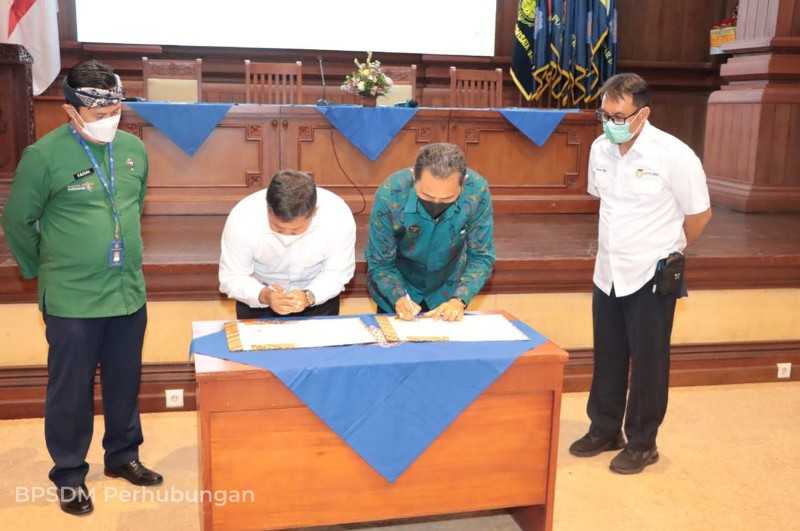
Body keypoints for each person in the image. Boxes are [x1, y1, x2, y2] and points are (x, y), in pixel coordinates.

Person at [2, 60, 163, 516]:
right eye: (98, 112)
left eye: (115, 108)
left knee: (124, 380)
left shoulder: (134, 149)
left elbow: (135, 204)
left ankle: (123, 456)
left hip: (127, 292)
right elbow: (17, 221)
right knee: (70, 389)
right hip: (72, 298)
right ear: (71, 111)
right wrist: (43, 267)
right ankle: (70, 473)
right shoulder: (43, 157)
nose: (110, 117)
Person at [569, 73, 713, 474]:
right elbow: (604, 203)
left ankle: (643, 442)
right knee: (608, 354)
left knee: (649, 361)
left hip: (652, 272)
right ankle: (604, 428)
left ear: (642, 113)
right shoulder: (600, 149)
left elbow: (699, 216)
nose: (609, 121)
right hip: (608, 270)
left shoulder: (674, 154)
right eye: (603, 113)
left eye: (618, 115)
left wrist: (670, 248)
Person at [366, 142, 495, 321]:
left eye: (448, 198)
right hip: (397, 289)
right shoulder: (391, 193)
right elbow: (380, 262)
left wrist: (459, 300)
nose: (436, 203)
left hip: (449, 292)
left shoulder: (476, 191)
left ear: (463, 183)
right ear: (414, 178)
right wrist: (399, 298)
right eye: (426, 196)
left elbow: (481, 256)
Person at [219, 170, 356, 318]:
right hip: (258, 299)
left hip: (318, 296)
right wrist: (264, 295)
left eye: (296, 230)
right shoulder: (243, 217)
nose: (286, 236)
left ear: (314, 212)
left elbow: (337, 273)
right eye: (278, 228)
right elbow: (232, 276)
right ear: (268, 209)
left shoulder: (337, 215)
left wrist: (308, 296)